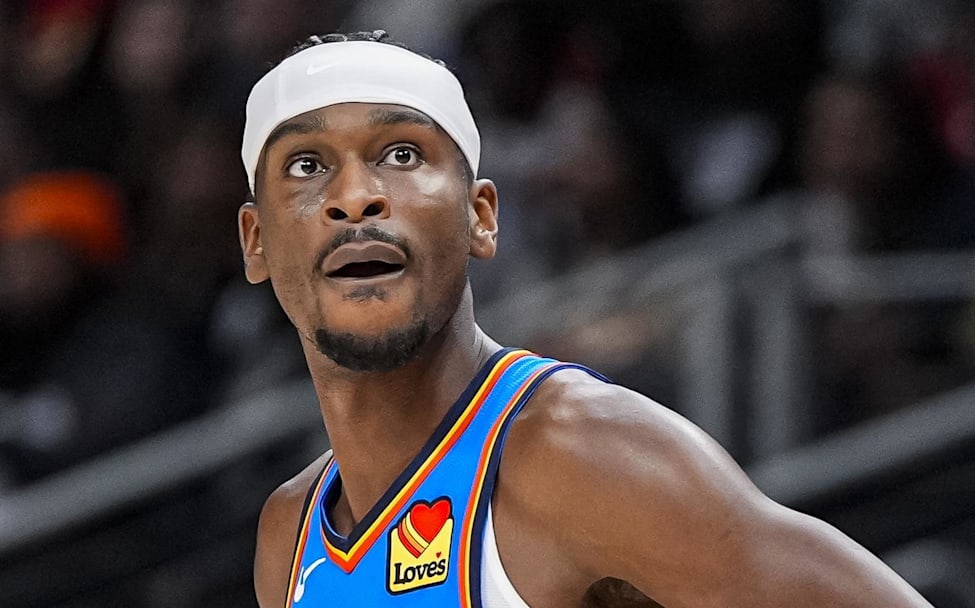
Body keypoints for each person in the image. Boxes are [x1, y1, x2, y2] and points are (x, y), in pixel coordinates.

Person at [238, 30, 932, 607]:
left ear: (480, 217)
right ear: (256, 241)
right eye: (306, 164)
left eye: (401, 155)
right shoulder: (290, 535)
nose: (355, 197)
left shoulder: (580, 454)